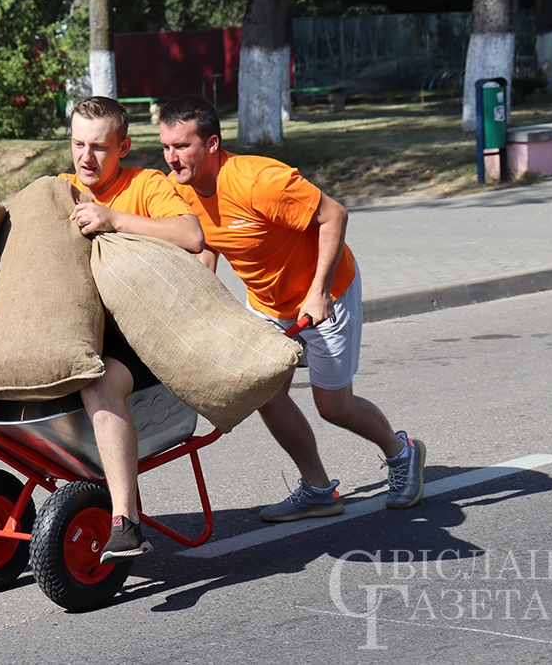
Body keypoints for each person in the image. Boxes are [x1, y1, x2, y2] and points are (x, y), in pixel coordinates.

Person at [0, 97, 204, 565]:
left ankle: (125, 520)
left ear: (123, 148)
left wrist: (113, 219)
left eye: (100, 147)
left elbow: (192, 236)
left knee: (98, 382)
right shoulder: (61, 188)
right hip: (76, 333)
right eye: (78, 144)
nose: (86, 157)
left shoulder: (146, 185)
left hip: (137, 336)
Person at [158, 94, 424, 522]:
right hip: (267, 302)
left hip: (325, 293)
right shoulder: (179, 190)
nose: (172, 158)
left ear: (211, 144)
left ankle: (401, 452)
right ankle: (319, 489)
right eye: (166, 147)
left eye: (182, 146)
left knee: (333, 407)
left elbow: (334, 216)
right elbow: (205, 243)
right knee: (267, 395)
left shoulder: (260, 181)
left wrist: (319, 292)